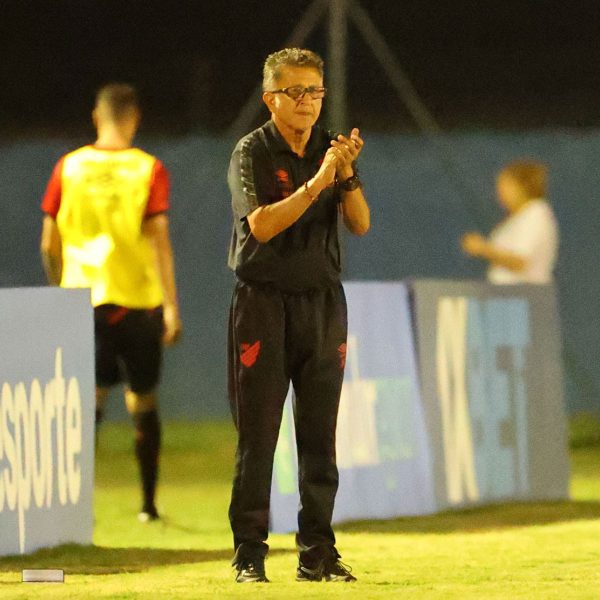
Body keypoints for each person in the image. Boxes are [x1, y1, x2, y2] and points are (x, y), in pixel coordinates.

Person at [227, 47, 370, 584]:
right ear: (271, 99)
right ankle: (249, 553)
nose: (308, 102)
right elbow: (261, 226)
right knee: (259, 435)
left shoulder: (331, 151)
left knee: (319, 434)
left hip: (322, 303)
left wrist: (347, 172)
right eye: (296, 91)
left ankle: (318, 553)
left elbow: (360, 224)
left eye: (315, 91)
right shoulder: (252, 152)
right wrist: (319, 181)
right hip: (263, 302)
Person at [40, 83, 182, 522]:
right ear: (134, 118)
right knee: (142, 401)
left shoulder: (69, 166)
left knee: (87, 402)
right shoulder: (148, 168)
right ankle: (148, 506)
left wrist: (61, 288)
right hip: (138, 303)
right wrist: (171, 305)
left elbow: (49, 242)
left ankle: (73, 506)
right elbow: (158, 240)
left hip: (83, 300)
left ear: (96, 116)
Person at [461, 160, 559, 284]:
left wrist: (483, 248)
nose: (499, 192)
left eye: (505, 186)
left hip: (525, 297)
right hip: (504, 295)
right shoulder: (516, 219)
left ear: (521, 187)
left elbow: (520, 261)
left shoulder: (536, 213)